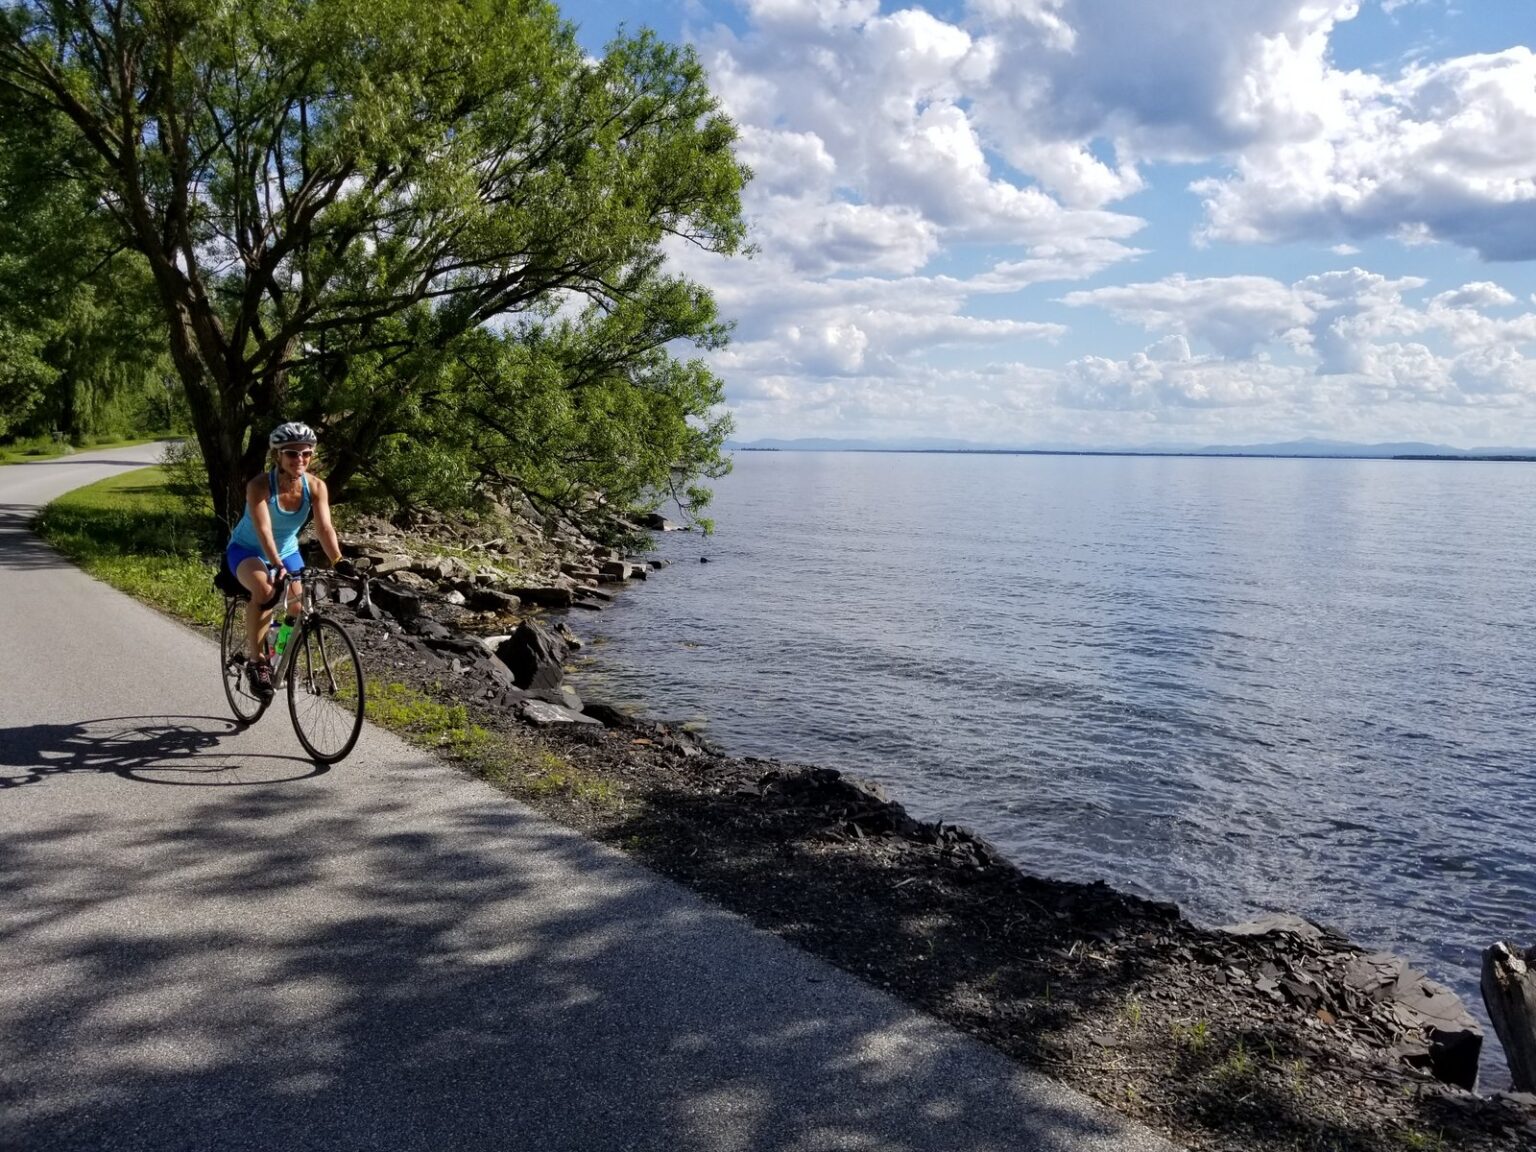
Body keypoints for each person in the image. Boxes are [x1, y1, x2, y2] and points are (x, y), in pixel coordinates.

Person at [225, 421, 346, 699]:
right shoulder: (259, 486)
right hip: (247, 550)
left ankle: (277, 649)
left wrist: (339, 560)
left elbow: (325, 528)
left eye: (307, 454)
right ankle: (258, 663)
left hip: (288, 550)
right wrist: (275, 564)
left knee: (298, 603)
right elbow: (264, 530)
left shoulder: (315, 487)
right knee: (266, 591)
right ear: (277, 455)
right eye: (292, 453)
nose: (300, 459)